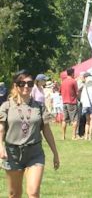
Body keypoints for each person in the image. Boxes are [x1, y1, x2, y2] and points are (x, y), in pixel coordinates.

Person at [0, 69, 59, 198]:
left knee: (33, 192)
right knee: (14, 194)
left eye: (30, 83)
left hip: (34, 153)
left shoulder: (39, 106)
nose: (26, 86)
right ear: (16, 85)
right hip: (12, 154)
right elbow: (1, 128)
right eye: (22, 83)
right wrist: (1, 147)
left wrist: (55, 153)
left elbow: (47, 131)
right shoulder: (6, 106)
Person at [60, 68, 79, 140]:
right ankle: (73, 136)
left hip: (64, 102)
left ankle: (63, 136)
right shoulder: (73, 81)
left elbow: (60, 92)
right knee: (75, 120)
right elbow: (77, 93)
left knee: (64, 120)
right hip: (72, 102)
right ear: (72, 73)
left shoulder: (63, 82)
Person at [80, 75, 92, 140]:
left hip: (85, 105)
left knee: (87, 121)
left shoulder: (84, 88)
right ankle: (90, 136)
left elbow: (82, 99)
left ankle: (85, 136)